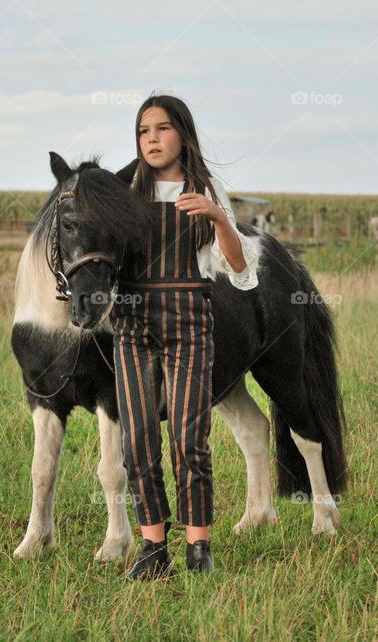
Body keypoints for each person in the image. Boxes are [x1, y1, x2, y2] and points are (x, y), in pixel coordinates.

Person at [112, 94, 259, 580]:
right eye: (142, 131)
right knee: (136, 441)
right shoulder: (125, 191)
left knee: (189, 439)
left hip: (190, 325)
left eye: (161, 129)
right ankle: (153, 548)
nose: (151, 139)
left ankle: (199, 545)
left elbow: (240, 270)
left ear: (183, 134)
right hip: (133, 326)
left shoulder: (207, 188)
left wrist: (217, 217)